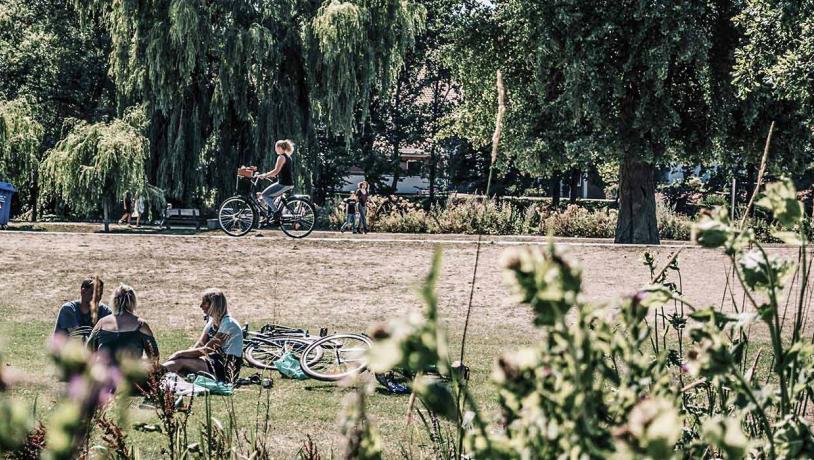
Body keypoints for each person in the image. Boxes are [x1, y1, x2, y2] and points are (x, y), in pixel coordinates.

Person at [163, 289, 243, 383]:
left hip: (226, 368)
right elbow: (199, 345)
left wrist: (180, 353)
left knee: (180, 362)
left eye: (204, 303)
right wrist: (186, 355)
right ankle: (153, 375)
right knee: (181, 361)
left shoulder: (229, 324)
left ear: (214, 305)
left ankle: (151, 376)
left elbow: (207, 349)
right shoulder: (212, 321)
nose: (201, 306)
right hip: (213, 361)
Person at [87, 284, 159, 366]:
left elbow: (88, 352)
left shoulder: (101, 323)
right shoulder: (141, 325)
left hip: (104, 375)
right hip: (130, 374)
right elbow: (154, 357)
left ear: (114, 301)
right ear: (133, 302)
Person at [256, 140, 295, 223]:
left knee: (264, 195)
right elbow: (282, 171)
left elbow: (276, 170)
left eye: (276, 148)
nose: (275, 150)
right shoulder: (288, 157)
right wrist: (270, 176)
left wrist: (265, 175)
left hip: (284, 184)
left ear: (280, 148)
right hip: (286, 182)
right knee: (270, 198)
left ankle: (277, 213)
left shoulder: (281, 157)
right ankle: (270, 216)